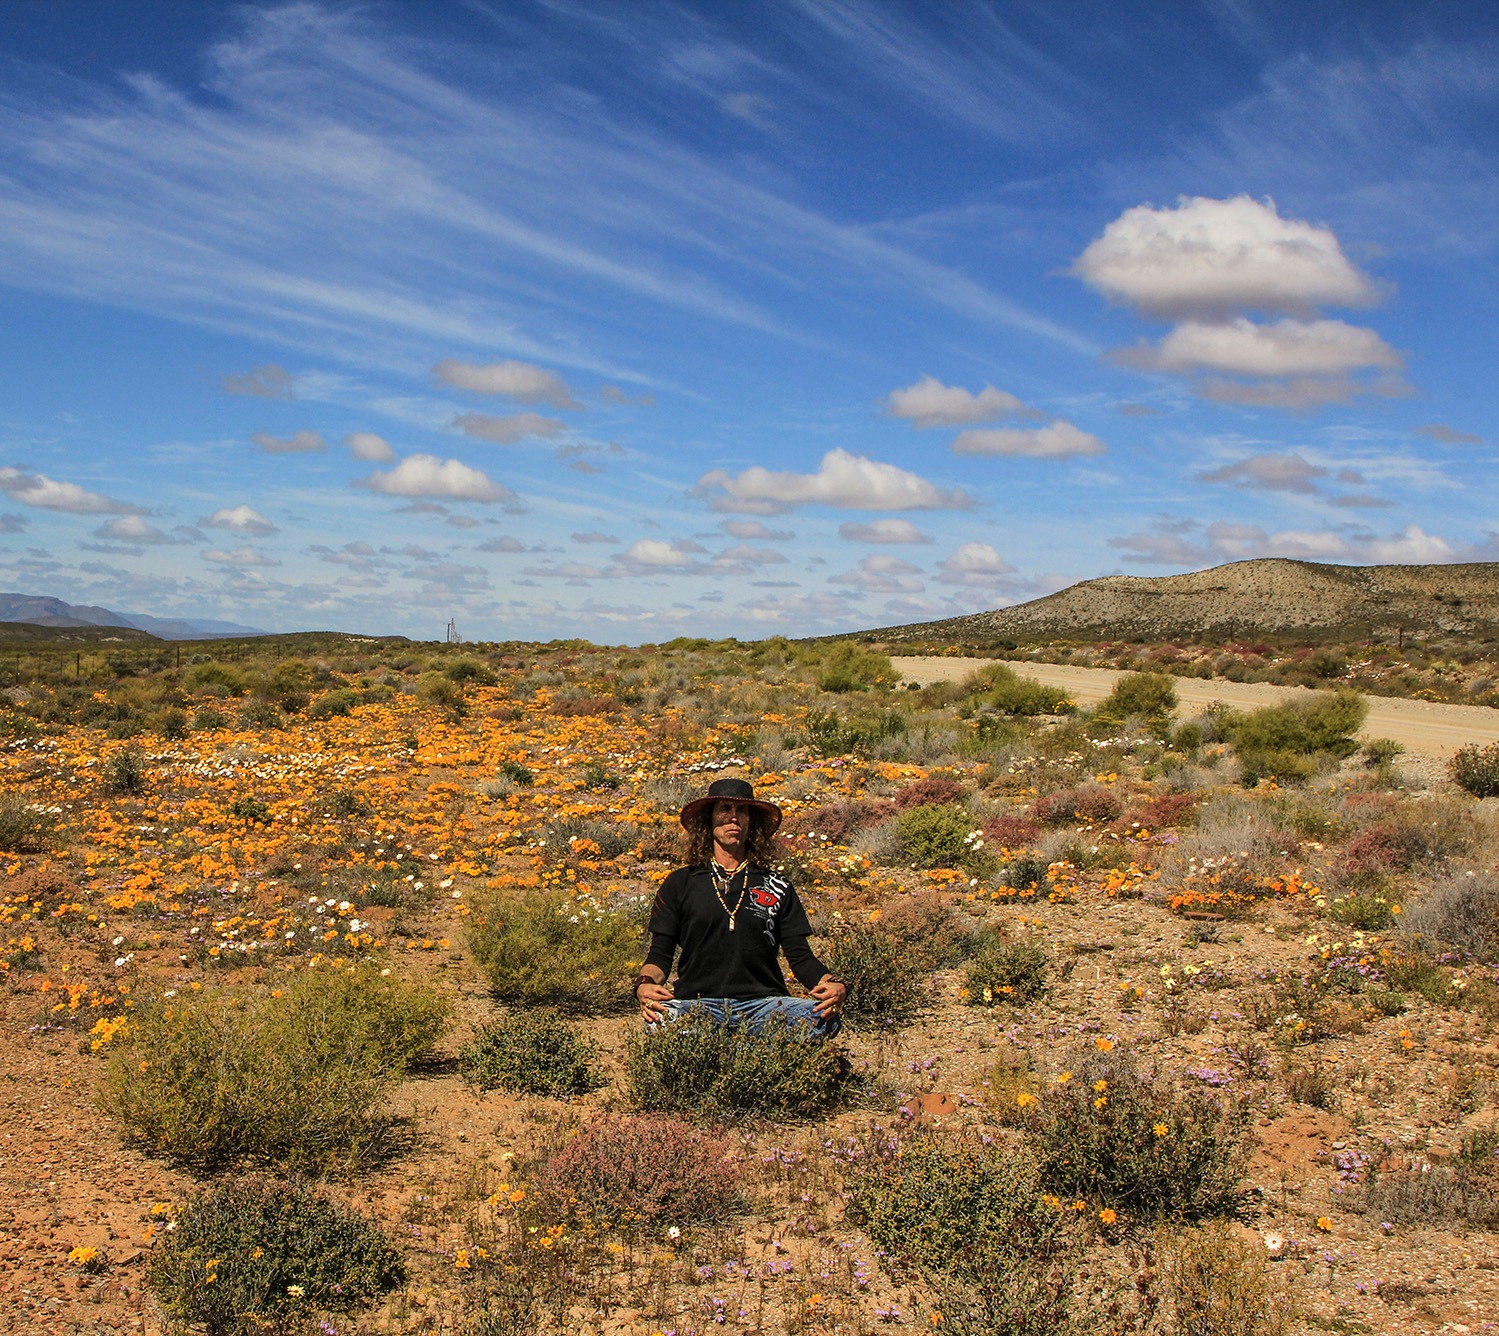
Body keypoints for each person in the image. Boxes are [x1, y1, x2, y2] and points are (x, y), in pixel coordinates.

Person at [634, 777, 847, 1038]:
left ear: (751, 822)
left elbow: (800, 956)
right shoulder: (680, 883)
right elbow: (660, 954)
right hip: (698, 1003)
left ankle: (724, 1052)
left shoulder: (777, 886)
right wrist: (644, 985)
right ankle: (753, 1054)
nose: (733, 818)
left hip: (765, 1005)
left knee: (823, 1021)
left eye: (742, 811)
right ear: (709, 820)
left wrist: (833, 984)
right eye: (724, 809)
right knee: (660, 1022)